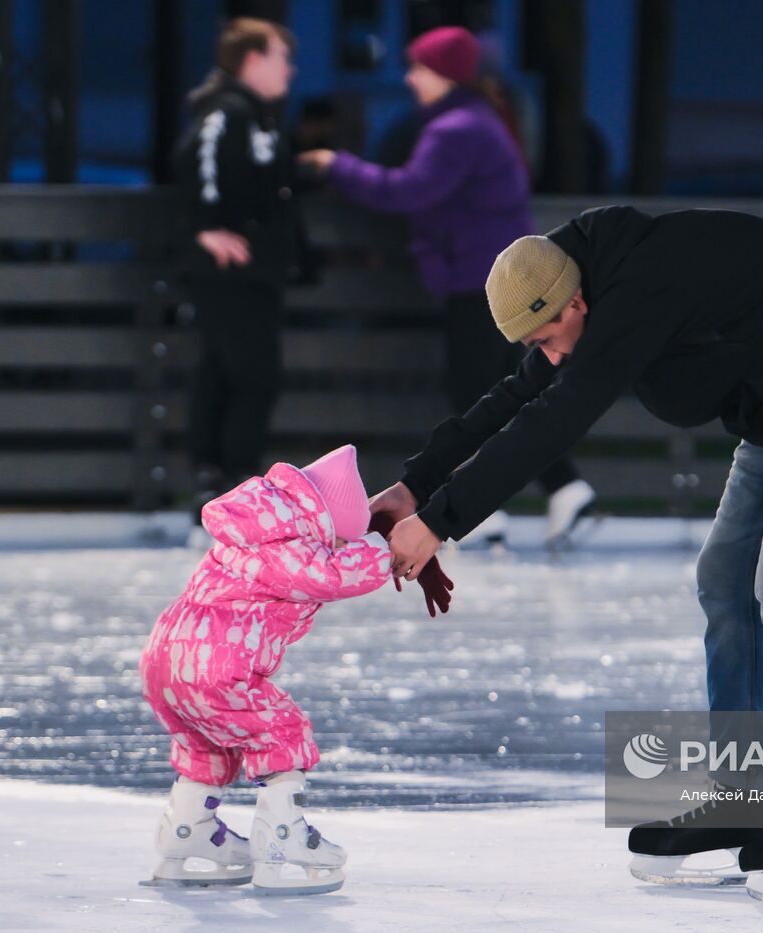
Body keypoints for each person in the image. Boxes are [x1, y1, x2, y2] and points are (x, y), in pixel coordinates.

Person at [368, 206, 763, 902]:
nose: (555, 354)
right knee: (726, 582)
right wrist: (415, 484)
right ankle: (742, 796)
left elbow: (556, 420)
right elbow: (521, 390)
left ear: (577, 302)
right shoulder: (563, 275)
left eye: (552, 336)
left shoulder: (634, 295)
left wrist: (439, 522)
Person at [299, 25, 596, 549]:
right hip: (489, 278)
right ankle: (566, 488)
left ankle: (499, 507)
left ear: (445, 74)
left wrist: (334, 165)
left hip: (482, 285)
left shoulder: (457, 129)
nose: (410, 78)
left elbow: (407, 190)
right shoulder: (474, 122)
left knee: (478, 396)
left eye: (418, 68)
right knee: (503, 394)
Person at [138, 444, 452, 894]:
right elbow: (328, 575)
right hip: (215, 665)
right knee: (281, 731)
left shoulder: (256, 530)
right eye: (341, 539)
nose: (341, 547)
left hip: (165, 657)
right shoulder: (288, 547)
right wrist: (386, 550)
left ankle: (187, 832)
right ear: (324, 525)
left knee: (206, 742)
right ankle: (283, 837)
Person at [172, 18, 310, 510]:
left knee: (231, 371)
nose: (290, 70)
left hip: (252, 269)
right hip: (232, 270)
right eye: (281, 57)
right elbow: (198, 158)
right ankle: (227, 485)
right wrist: (204, 225)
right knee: (250, 374)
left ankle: (220, 483)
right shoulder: (227, 110)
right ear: (252, 59)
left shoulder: (256, 115)